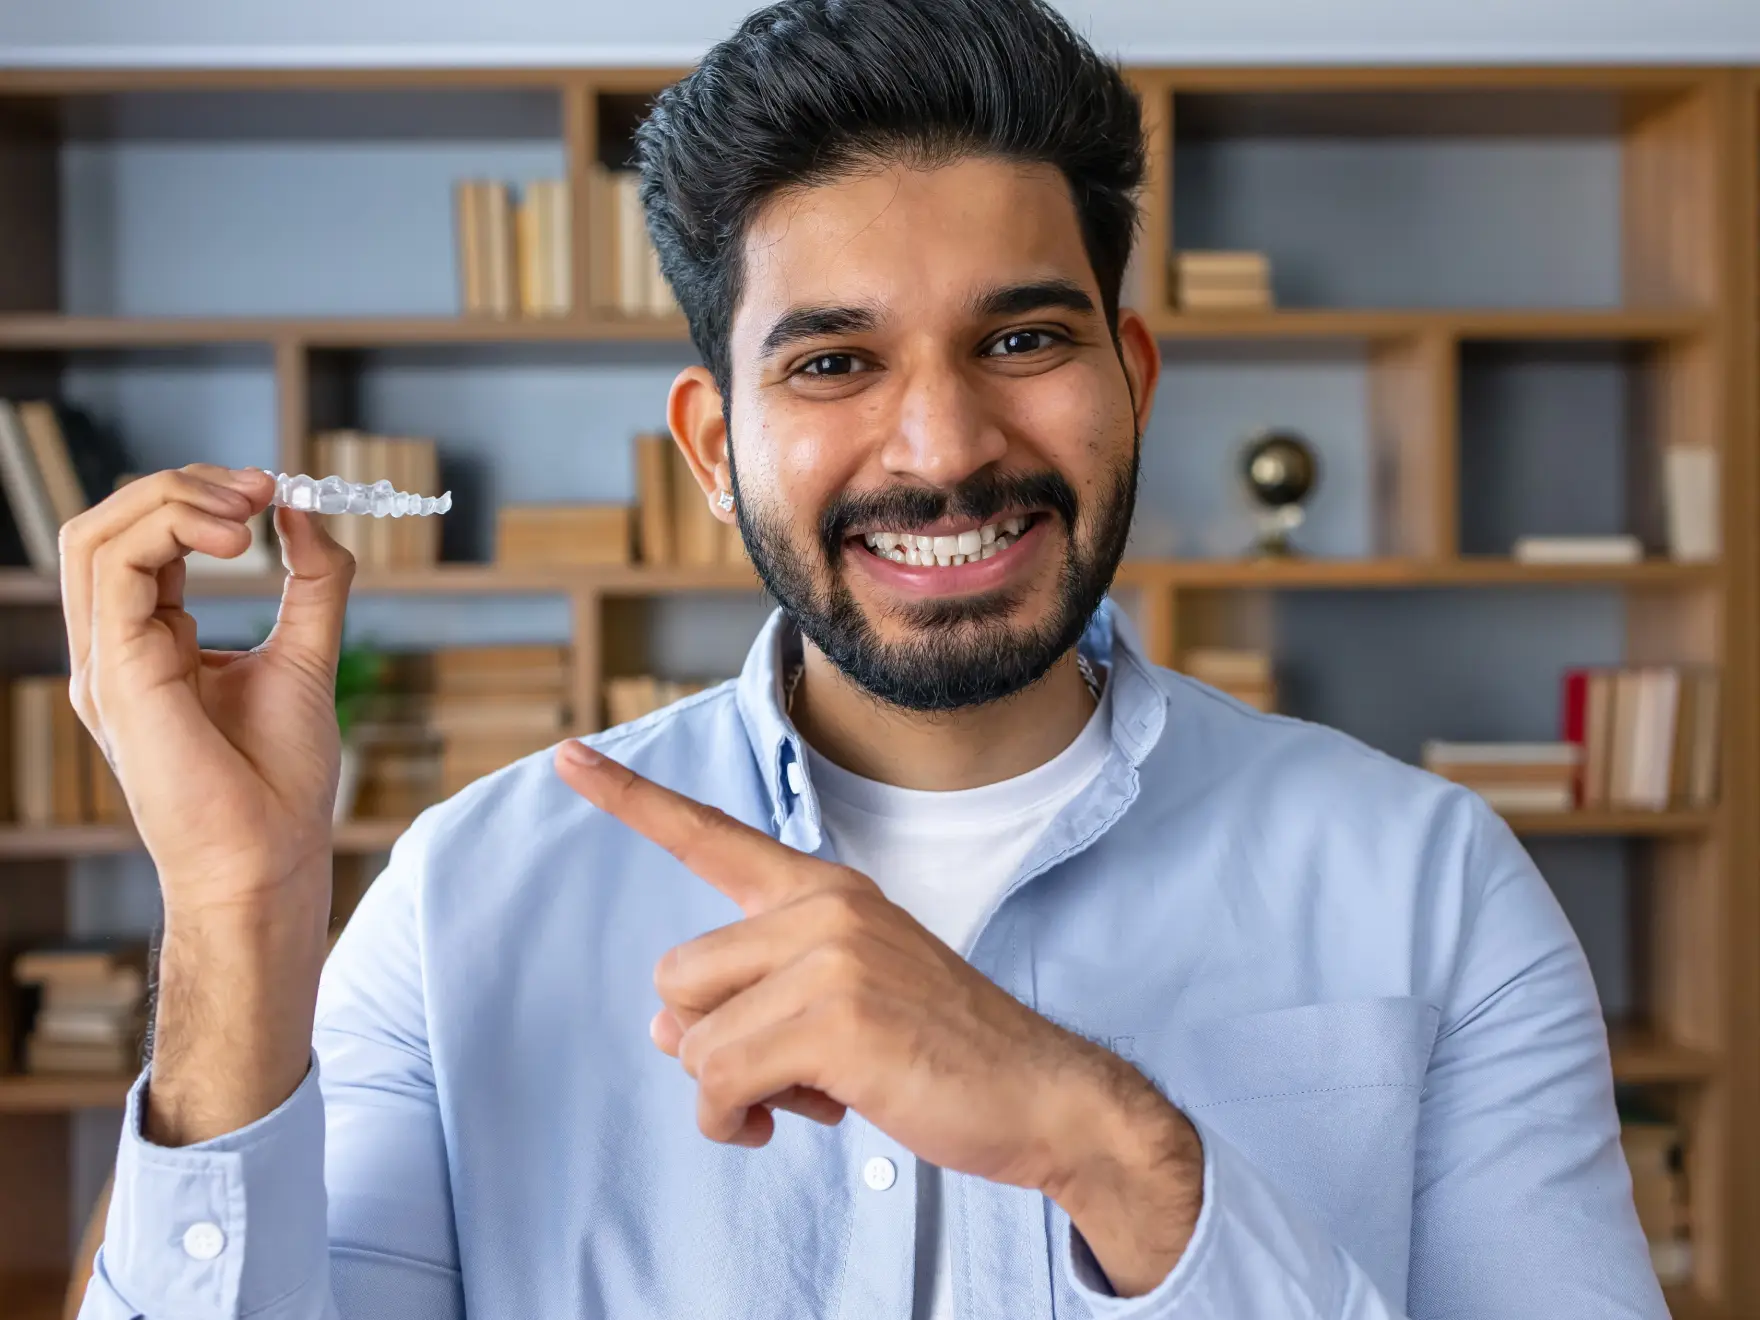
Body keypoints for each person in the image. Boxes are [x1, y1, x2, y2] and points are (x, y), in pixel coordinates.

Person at [69, 2, 1665, 1317]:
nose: (945, 447)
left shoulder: (1434, 888)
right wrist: (236, 915)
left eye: (1024, 340)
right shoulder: (465, 896)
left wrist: (1119, 1155)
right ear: (713, 445)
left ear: (1134, 377)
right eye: (833, 361)